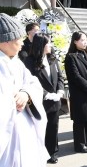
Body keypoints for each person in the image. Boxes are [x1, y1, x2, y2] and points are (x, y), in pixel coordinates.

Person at [0, 13, 49, 166]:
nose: (22, 43)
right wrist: (10, 100)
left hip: (24, 125)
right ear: (5, 41)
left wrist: (26, 93)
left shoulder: (16, 62)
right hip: (7, 131)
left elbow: (33, 82)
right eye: (19, 39)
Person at [24, 34, 64, 164]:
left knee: (53, 127)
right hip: (39, 102)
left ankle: (52, 152)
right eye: (48, 43)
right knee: (40, 129)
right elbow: (29, 82)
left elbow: (59, 77)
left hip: (55, 100)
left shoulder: (52, 58)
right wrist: (46, 94)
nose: (50, 45)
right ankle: (39, 153)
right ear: (41, 45)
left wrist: (60, 90)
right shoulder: (29, 61)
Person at [64, 31, 87, 153]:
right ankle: (79, 144)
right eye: (82, 40)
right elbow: (75, 76)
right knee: (80, 120)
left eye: (86, 40)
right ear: (75, 41)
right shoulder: (70, 57)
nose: (85, 42)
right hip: (80, 93)